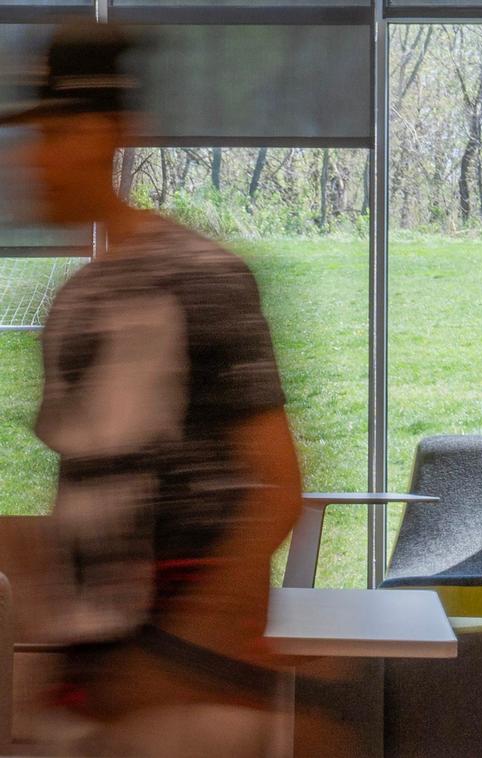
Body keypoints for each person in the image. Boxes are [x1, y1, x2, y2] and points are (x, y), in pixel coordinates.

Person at [2, 21, 309, 755]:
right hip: (97, 696)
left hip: (190, 699)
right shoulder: (72, 304)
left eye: (50, 136)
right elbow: (89, 505)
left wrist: (178, 661)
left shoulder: (204, 278)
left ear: (108, 136)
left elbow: (278, 485)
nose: (30, 163)